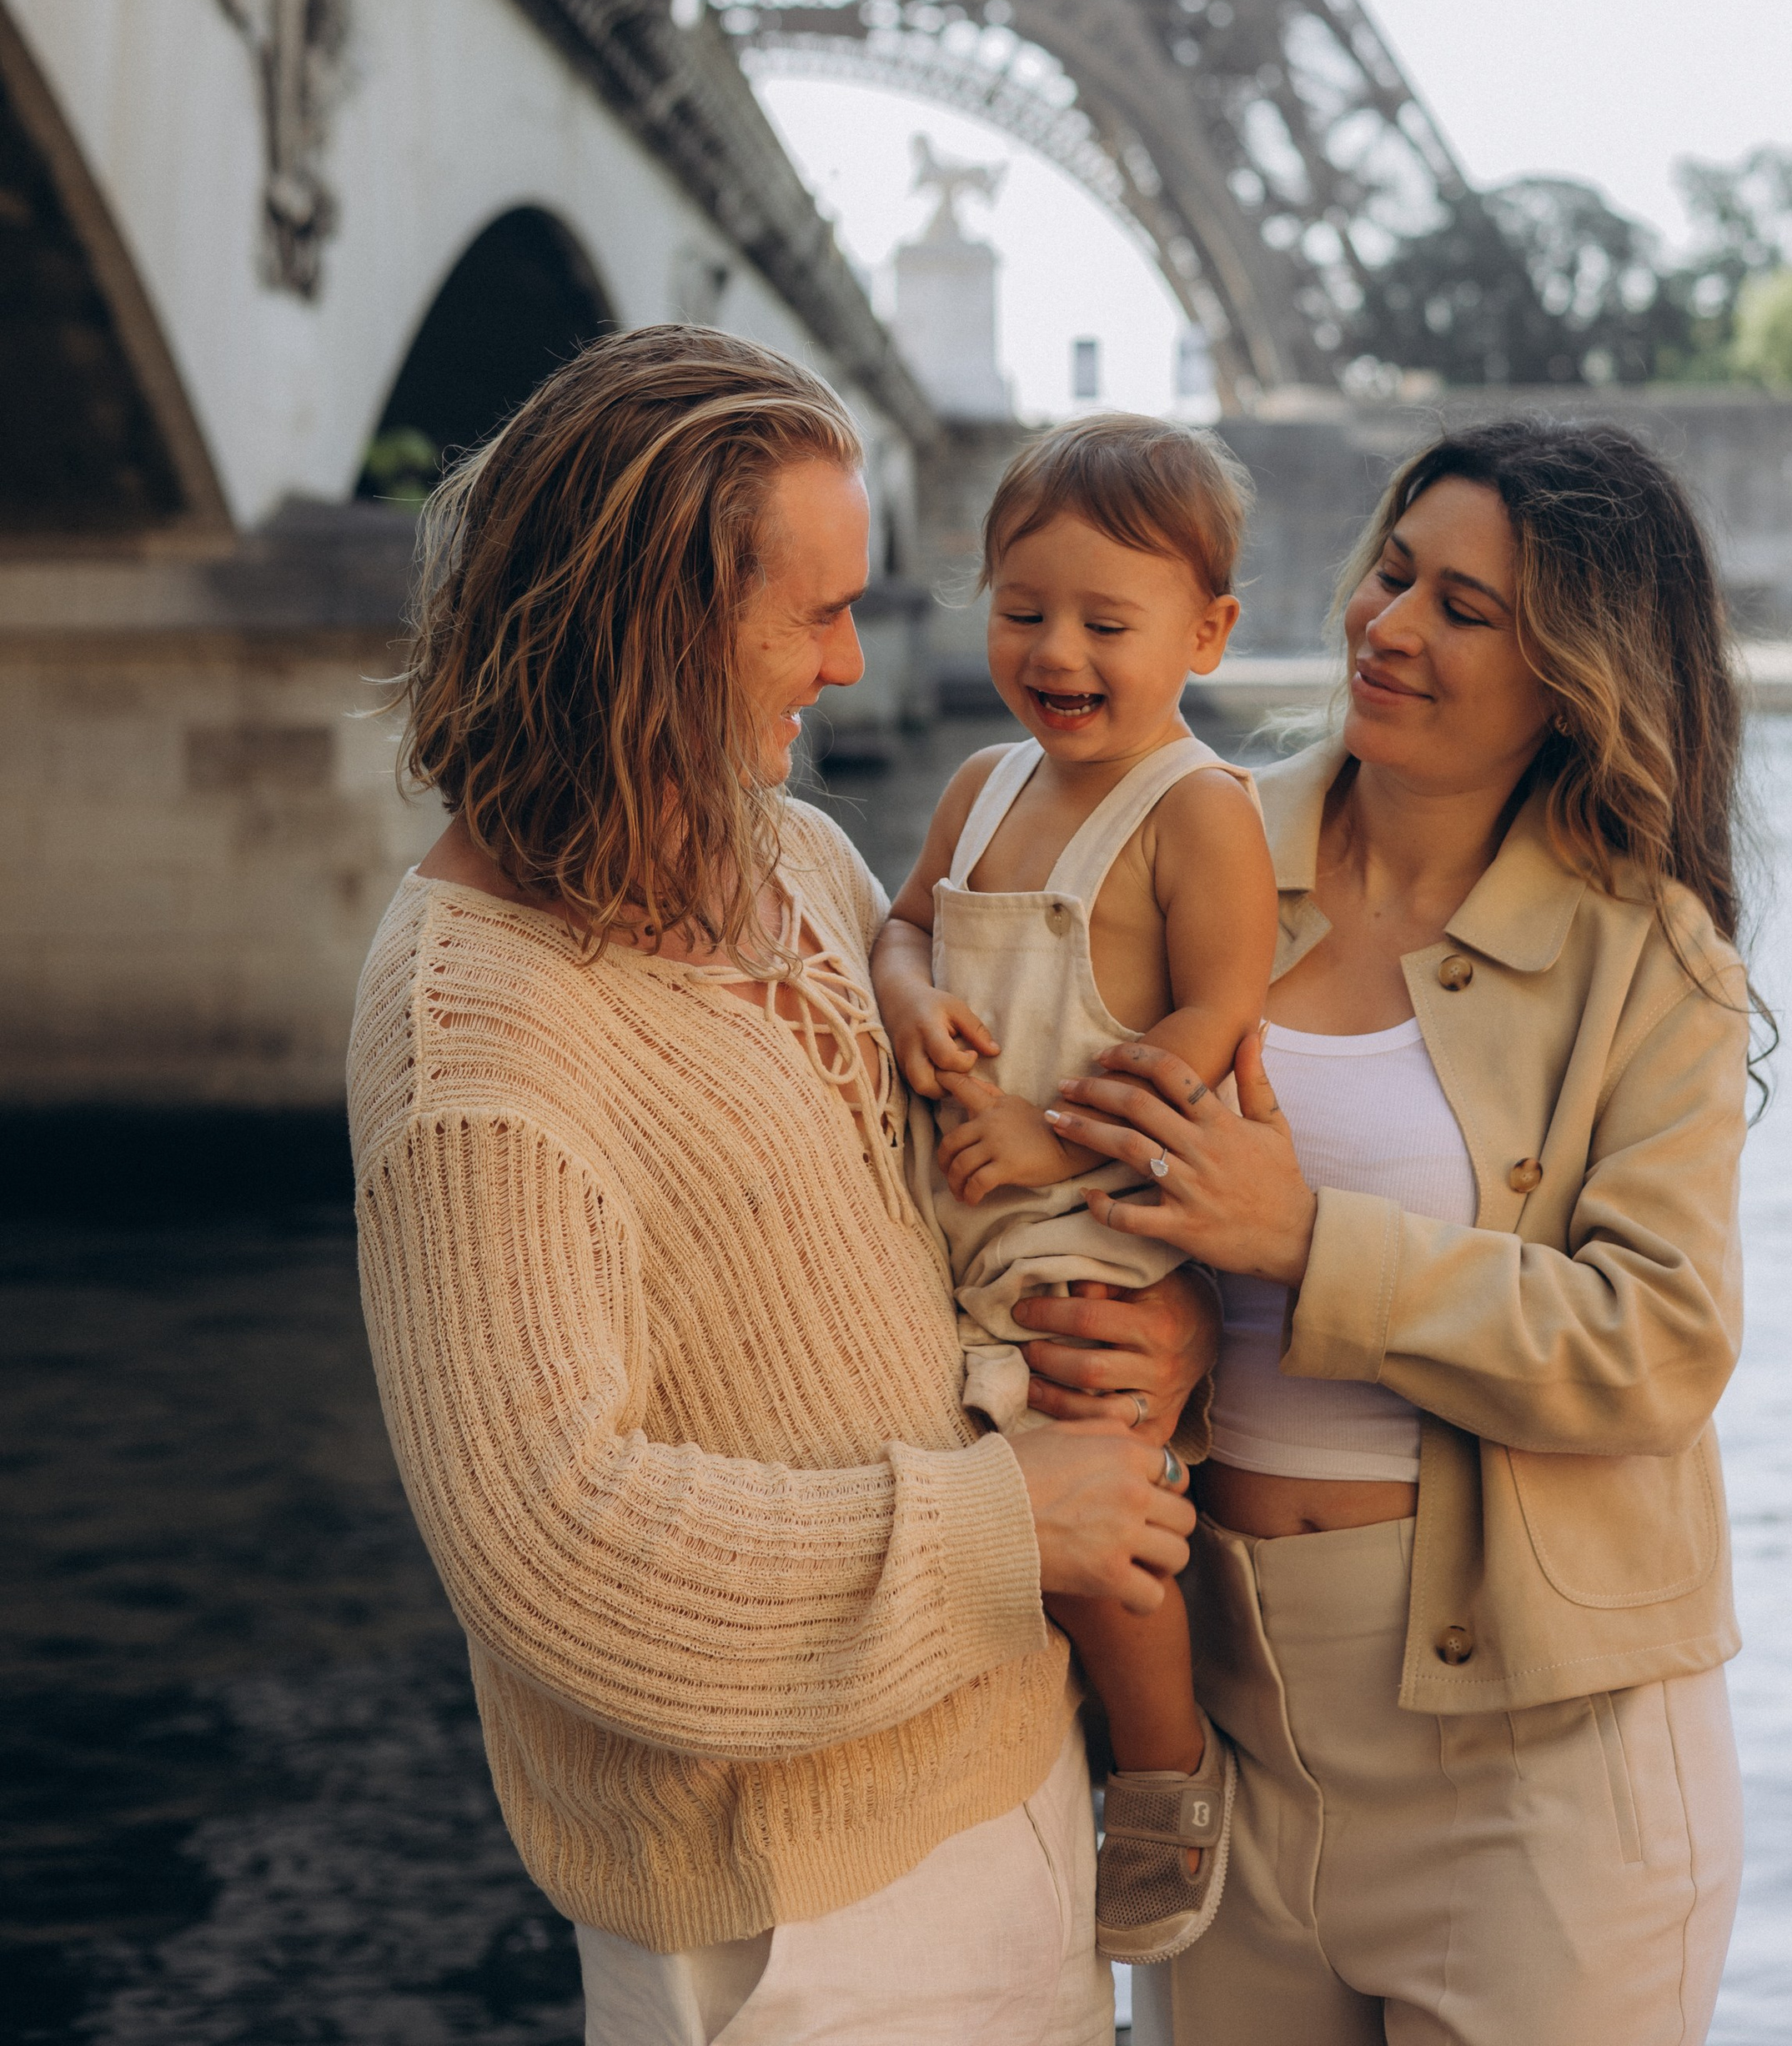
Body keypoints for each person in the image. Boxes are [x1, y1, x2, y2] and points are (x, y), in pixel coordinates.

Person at [345, 329, 1219, 2046]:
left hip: (1014, 1784)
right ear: (654, 628)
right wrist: (1005, 1525)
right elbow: (547, 1543)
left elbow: (955, 1239)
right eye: (809, 616)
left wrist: (1164, 1323)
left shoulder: (803, 863)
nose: (845, 663)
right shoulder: (475, 1033)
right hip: (783, 1924)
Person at [1045, 419, 1770, 2046]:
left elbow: (1652, 1348)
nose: (1386, 625)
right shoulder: (1176, 850)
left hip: (1540, 1768)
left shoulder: (1648, 964)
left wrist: (1306, 1245)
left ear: (1572, 676)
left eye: (1465, 609)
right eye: (1390, 572)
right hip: (1220, 1731)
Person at [874, 418, 1279, 1965]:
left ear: (1207, 632)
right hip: (954, 1218)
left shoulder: (1195, 811)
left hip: (1091, 1219)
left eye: (1108, 625)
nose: (1059, 651)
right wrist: (908, 994)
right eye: (1021, 610)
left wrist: (1058, 1137)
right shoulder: (981, 785)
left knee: (1101, 1533)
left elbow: (1215, 1021)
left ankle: (1169, 1774)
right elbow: (908, 927)